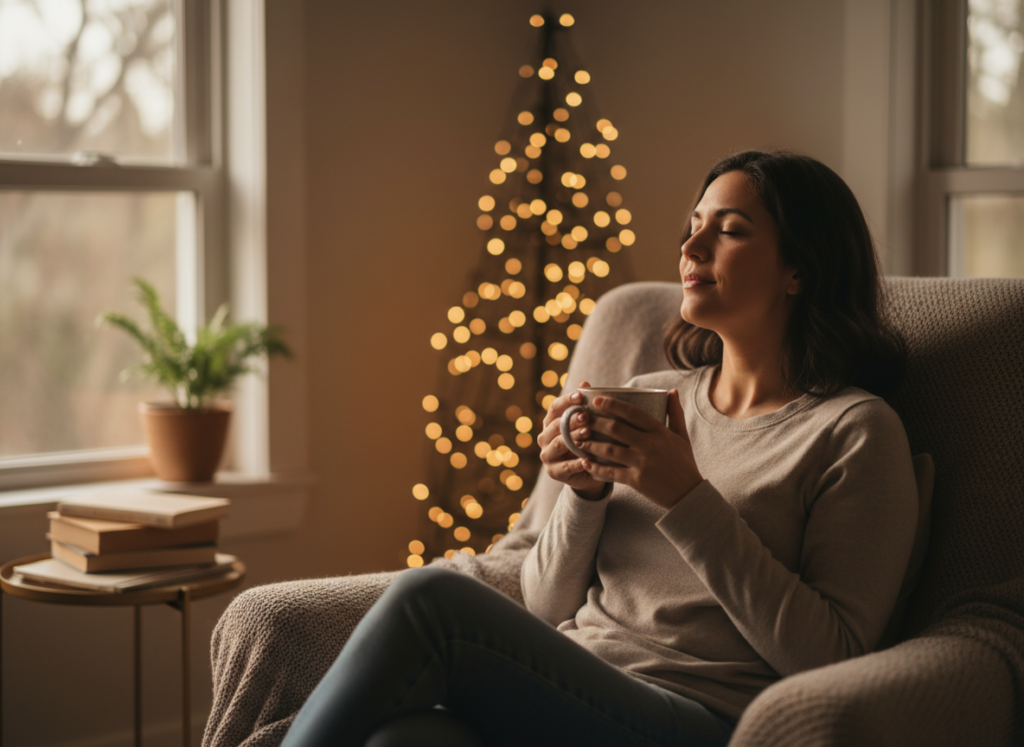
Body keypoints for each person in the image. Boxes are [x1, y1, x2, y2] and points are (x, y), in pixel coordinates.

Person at [278, 150, 919, 747]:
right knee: (404, 740)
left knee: (430, 601)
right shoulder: (648, 396)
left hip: (700, 717)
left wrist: (685, 495)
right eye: (693, 224)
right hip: (573, 687)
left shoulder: (855, 430)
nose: (690, 246)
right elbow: (546, 603)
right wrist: (583, 494)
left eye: (729, 230)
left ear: (799, 269)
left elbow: (835, 656)